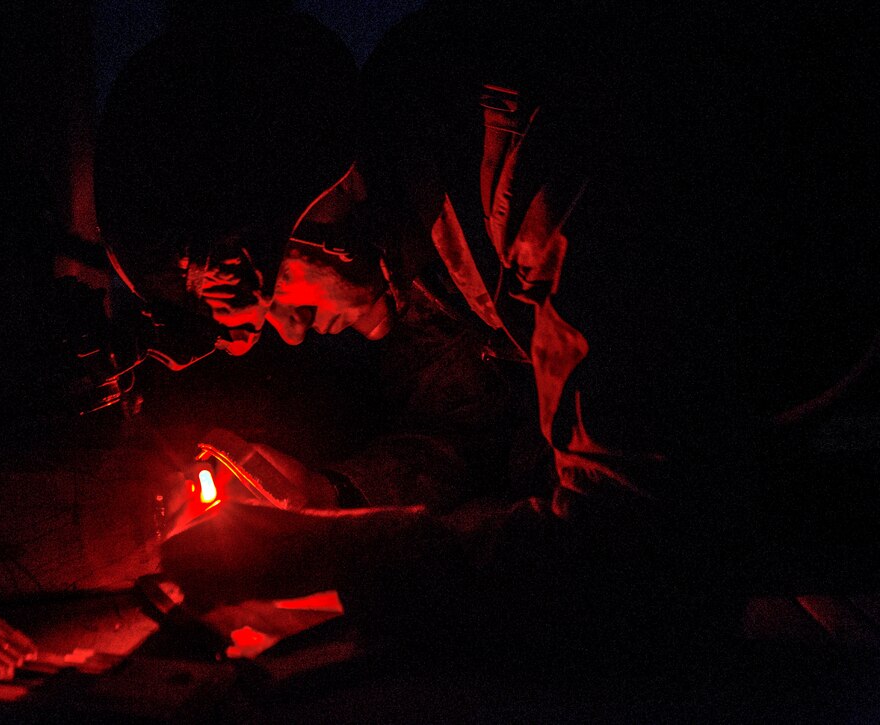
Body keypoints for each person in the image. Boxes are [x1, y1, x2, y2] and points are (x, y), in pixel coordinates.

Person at [109, 1, 880, 662]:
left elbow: (629, 549)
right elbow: (475, 424)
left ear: (315, 207)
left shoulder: (549, 163)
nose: (288, 331)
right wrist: (331, 495)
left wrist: (328, 552)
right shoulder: (424, 217)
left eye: (273, 294)